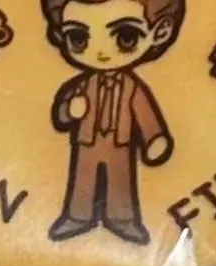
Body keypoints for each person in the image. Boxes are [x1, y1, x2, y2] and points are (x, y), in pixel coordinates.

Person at [41, 0, 184, 244]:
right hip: (86, 141)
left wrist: (153, 138)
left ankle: (123, 220)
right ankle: (77, 216)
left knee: (121, 182)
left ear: (160, 32)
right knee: (82, 179)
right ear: (59, 35)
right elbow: (63, 113)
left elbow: (144, 112)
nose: (100, 52)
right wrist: (69, 111)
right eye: (78, 38)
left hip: (121, 143)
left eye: (126, 37)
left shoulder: (133, 88)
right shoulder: (81, 86)